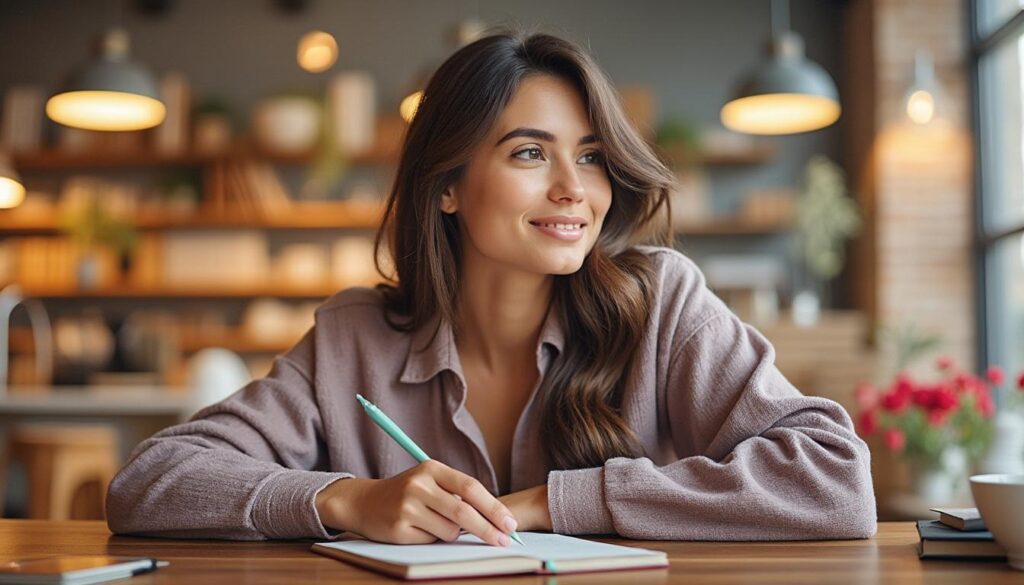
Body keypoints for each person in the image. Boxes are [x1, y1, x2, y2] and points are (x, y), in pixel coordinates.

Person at [106, 30, 876, 545]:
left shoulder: (662, 305)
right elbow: (149, 481)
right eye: (530, 154)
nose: (577, 188)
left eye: (594, 156)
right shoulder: (354, 338)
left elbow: (836, 480)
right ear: (447, 186)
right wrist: (347, 499)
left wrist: (558, 502)